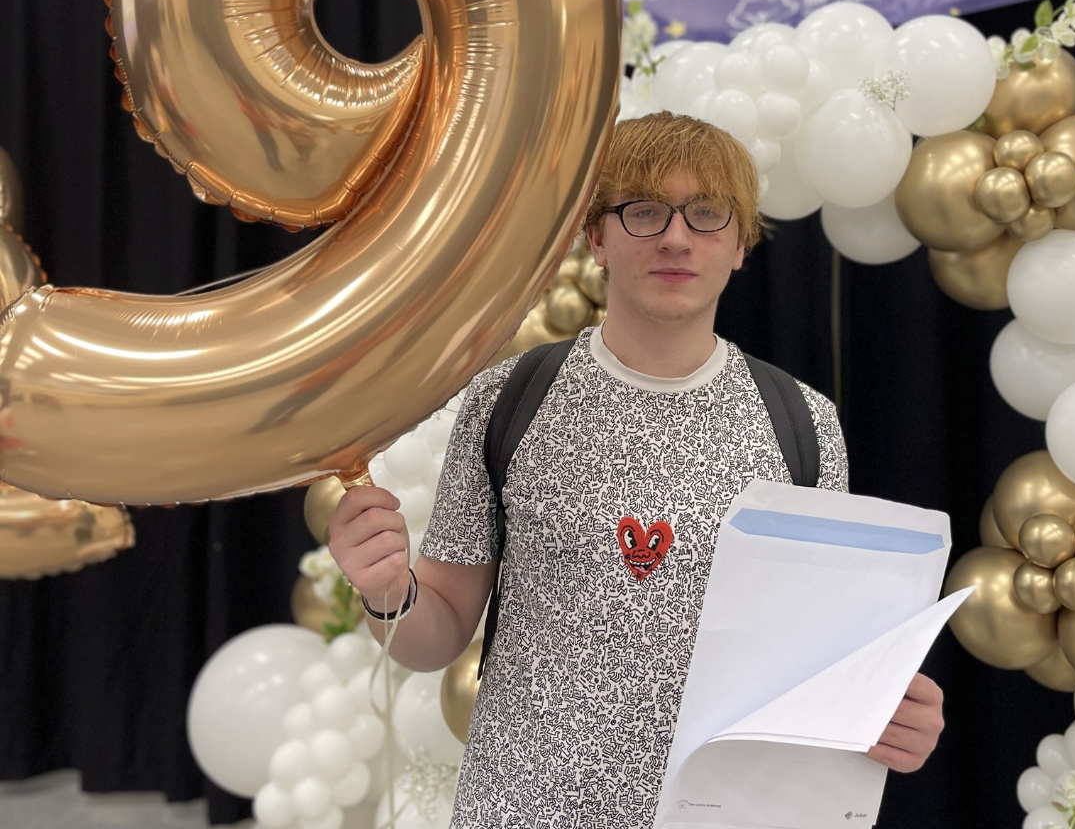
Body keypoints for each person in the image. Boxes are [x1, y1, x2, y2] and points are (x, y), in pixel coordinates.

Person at [328, 111, 945, 827]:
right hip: (525, 809)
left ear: (741, 243)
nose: (676, 237)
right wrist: (385, 593)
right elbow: (436, 635)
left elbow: (819, 662)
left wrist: (887, 715)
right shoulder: (509, 399)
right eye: (644, 210)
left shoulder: (802, 424)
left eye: (707, 213)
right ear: (596, 237)